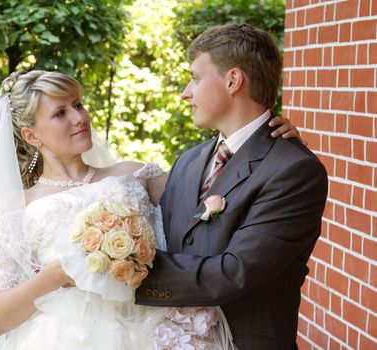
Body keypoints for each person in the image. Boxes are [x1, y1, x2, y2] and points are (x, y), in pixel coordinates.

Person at [0, 69, 301, 349]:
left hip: (155, 329)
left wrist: (271, 147)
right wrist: (56, 274)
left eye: (78, 104)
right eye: (60, 113)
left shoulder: (134, 175)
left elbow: (221, 184)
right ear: (31, 135)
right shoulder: (15, 209)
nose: (79, 118)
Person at [135, 24, 328, 350]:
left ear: (233, 80)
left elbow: (235, 272)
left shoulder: (294, 170)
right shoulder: (188, 161)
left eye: (195, 78)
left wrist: (124, 274)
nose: (185, 92)